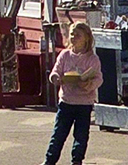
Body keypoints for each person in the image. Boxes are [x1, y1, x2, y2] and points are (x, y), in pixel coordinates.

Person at [44, 24, 102, 165]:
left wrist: (89, 84)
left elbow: (98, 78)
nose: (74, 38)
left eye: (78, 35)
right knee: (59, 133)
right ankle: (50, 160)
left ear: (86, 38)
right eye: (72, 34)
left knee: (81, 136)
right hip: (66, 102)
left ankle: (77, 160)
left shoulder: (92, 59)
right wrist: (55, 78)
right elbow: (55, 71)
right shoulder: (65, 55)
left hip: (84, 103)